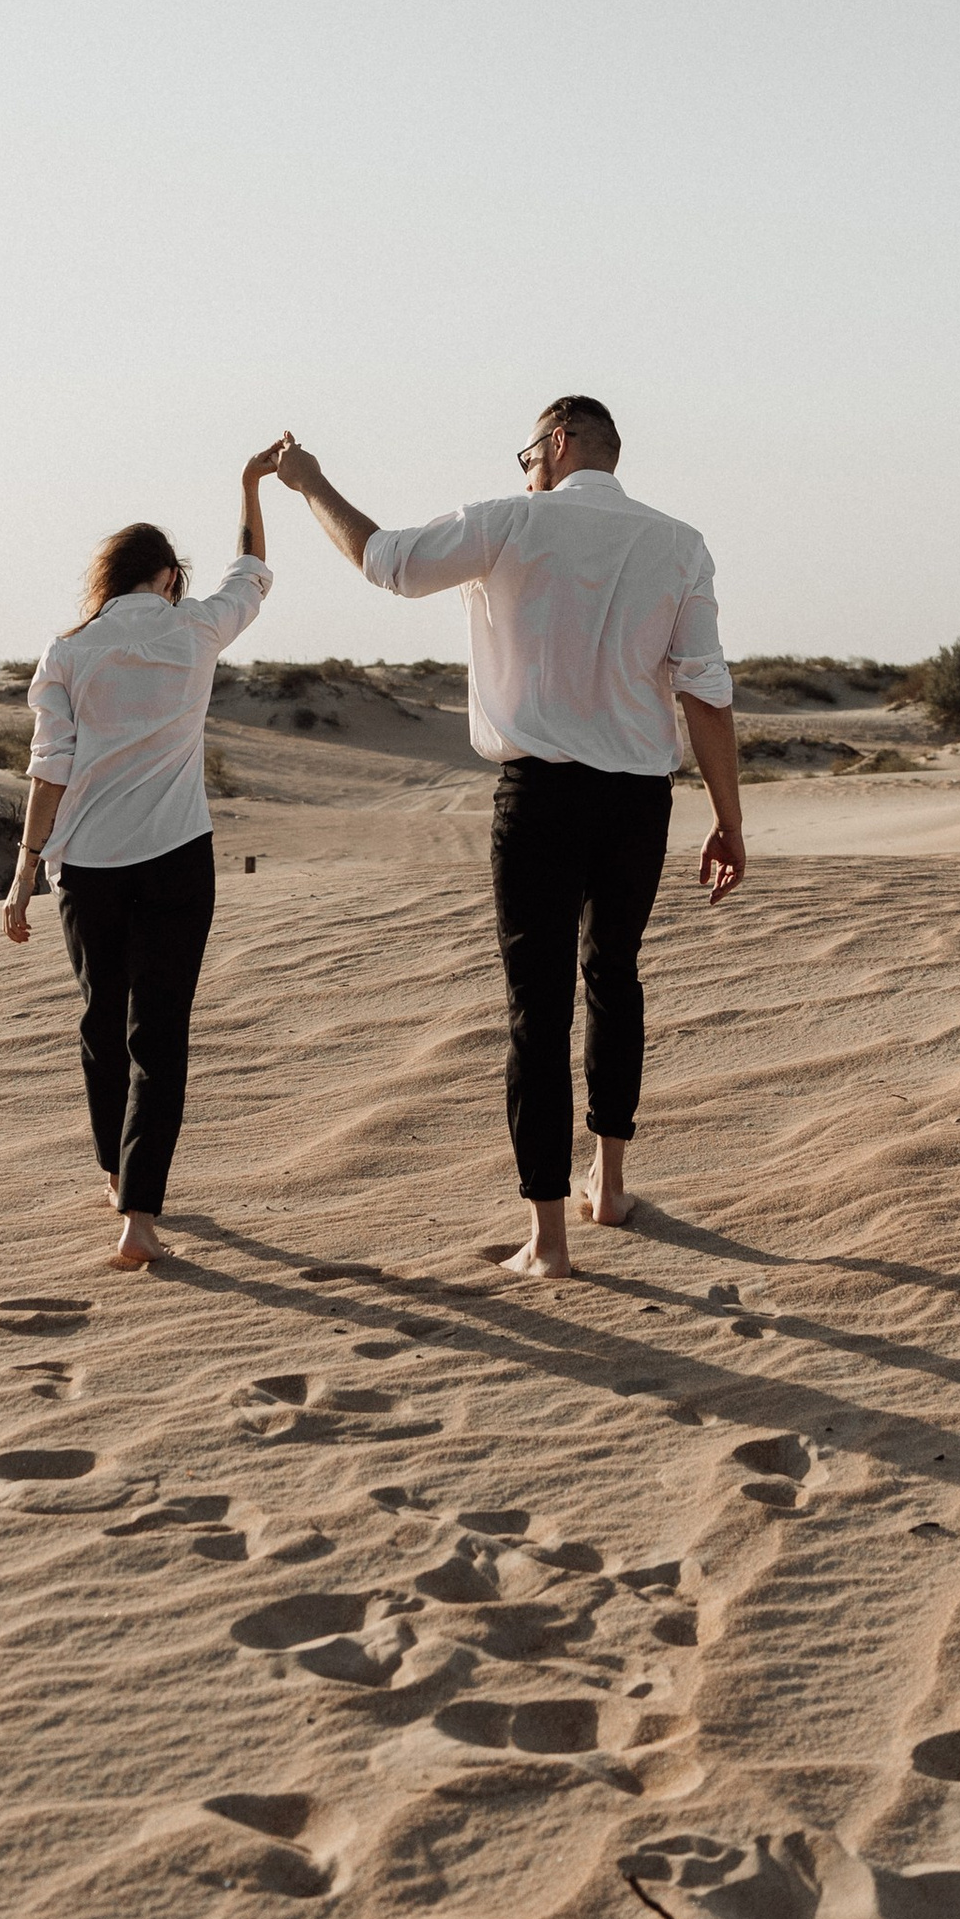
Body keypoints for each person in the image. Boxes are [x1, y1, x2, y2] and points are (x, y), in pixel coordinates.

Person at [270, 396, 742, 1279]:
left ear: (559, 443)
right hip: (639, 800)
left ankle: (550, 1239)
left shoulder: (511, 522)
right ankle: (610, 1185)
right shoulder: (680, 542)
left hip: (541, 798)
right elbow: (706, 690)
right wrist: (729, 818)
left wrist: (310, 484)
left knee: (538, 1007)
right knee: (615, 978)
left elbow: (384, 560)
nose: (523, 468)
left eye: (527, 453)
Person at [3, 446, 286, 1267]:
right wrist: (247, 486)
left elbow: (49, 768)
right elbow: (254, 570)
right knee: (158, 1035)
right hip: (174, 858)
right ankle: (139, 1214)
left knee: (102, 1022)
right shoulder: (196, 626)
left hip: (86, 866)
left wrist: (23, 872)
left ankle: (111, 1170)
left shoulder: (67, 652)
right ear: (165, 575)